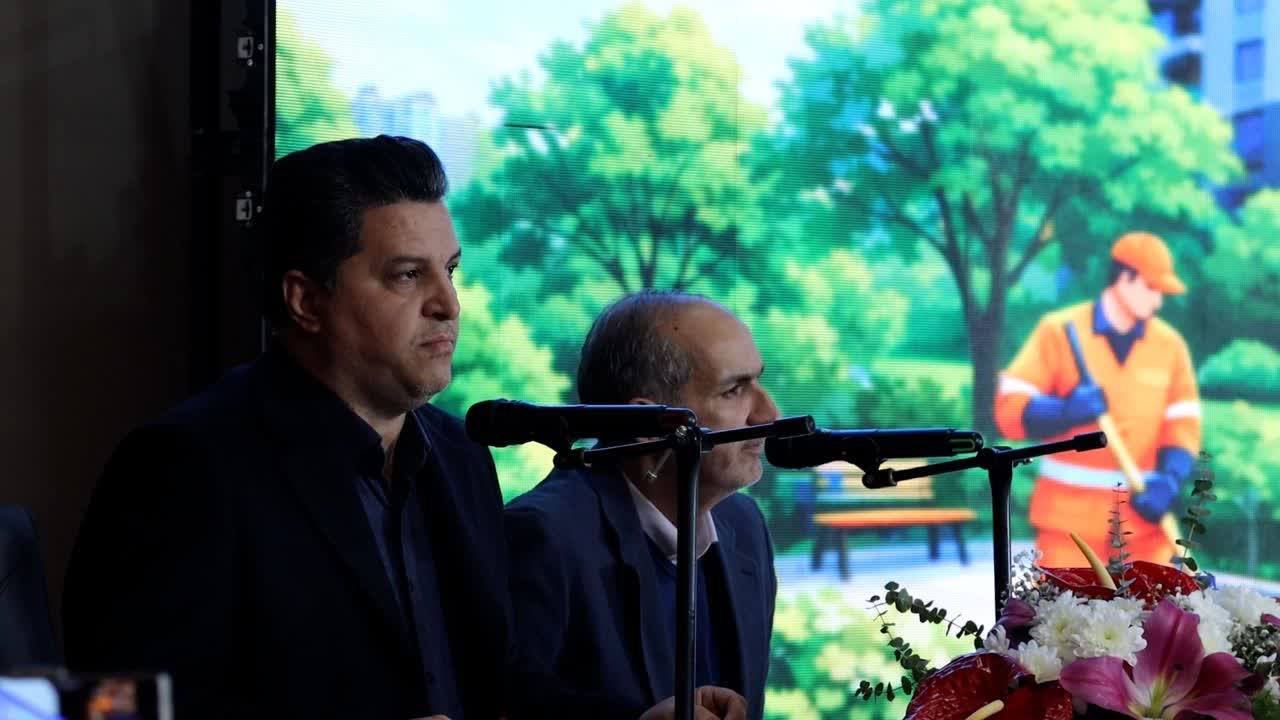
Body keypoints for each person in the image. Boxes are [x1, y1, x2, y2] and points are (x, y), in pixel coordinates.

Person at [62, 136, 746, 720]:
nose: (447, 303)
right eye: (407, 276)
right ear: (305, 301)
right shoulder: (186, 464)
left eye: (449, 271)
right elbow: (115, 707)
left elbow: (496, 683)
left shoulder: (460, 453)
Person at [504, 291, 780, 720]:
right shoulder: (544, 536)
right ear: (648, 425)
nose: (769, 414)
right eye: (734, 390)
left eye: (758, 381)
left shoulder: (744, 525)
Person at [995, 231, 1201, 567]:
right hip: (1069, 528)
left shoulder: (1170, 346)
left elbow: (1183, 425)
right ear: (1124, 278)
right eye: (1152, 289)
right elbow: (1009, 408)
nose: (1158, 302)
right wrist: (1065, 411)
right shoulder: (1058, 331)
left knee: (1161, 602)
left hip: (1145, 528)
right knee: (1063, 603)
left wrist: (1170, 479)